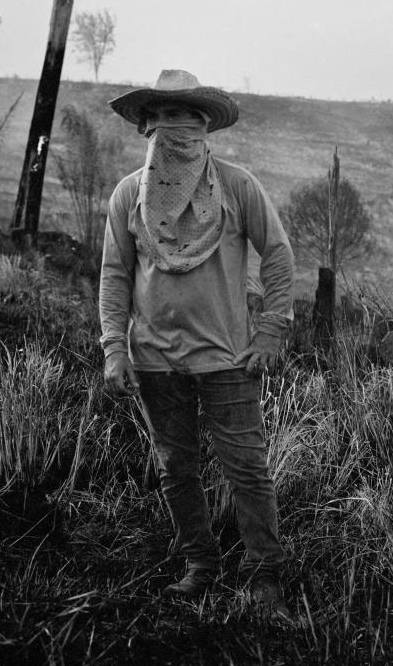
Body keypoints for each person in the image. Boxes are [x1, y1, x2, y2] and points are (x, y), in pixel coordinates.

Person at [99, 69, 297, 615]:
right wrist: (115, 346)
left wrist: (271, 328)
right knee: (175, 467)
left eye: (187, 117)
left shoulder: (237, 187)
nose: (176, 129)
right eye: (164, 117)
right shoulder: (128, 196)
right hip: (155, 360)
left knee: (247, 468)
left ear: (206, 126)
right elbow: (115, 274)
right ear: (148, 127)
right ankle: (199, 565)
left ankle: (265, 577)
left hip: (229, 357)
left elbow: (277, 253)